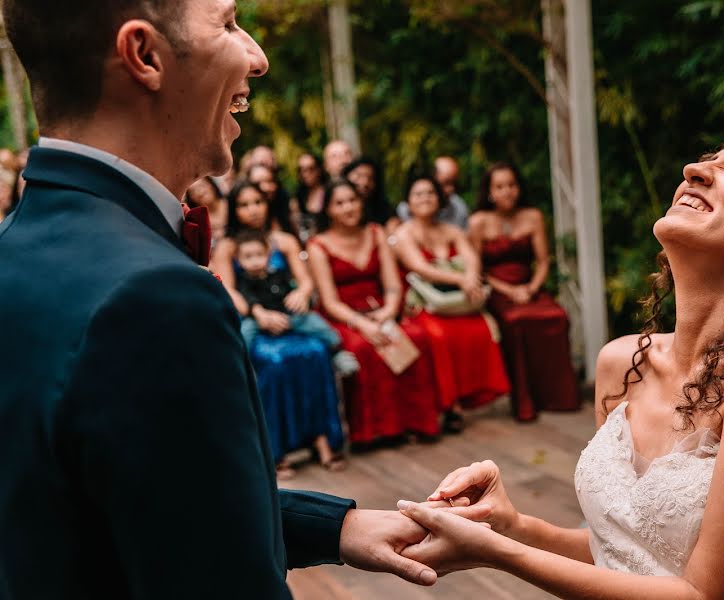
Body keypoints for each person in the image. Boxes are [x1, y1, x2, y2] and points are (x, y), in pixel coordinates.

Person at [0, 1, 440, 597]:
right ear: (146, 56)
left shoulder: (15, 249)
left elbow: (119, 502)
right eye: (229, 24)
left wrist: (335, 526)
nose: (257, 58)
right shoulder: (155, 296)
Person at [396, 126, 724, 599]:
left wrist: (499, 552)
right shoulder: (621, 363)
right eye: (706, 160)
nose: (694, 169)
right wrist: (512, 526)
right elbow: (617, 556)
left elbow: (707, 595)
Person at [307, 179, 444, 445]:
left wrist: (388, 312)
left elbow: (392, 284)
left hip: (382, 309)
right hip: (343, 316)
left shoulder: (376, 232)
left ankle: (416, 422)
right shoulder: (317, 245)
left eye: (353, 200)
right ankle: (373, 431)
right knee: (362, 348)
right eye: (340, 203)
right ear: (329, 210)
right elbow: (329, 301)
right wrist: (363, 325)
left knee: (416, 336)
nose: (348, 207)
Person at [392, 174, 510, 432]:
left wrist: (471, 280)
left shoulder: (453, 230)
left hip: (459, 300)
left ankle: (468, 396)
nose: (425, 198)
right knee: (437, 336)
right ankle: (450, 404)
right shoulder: (402, 234)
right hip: (425, 303)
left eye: (430, 193)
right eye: (418, 194)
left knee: (481, 328)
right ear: (408, 202)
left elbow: (472, 259)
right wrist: (462, 280)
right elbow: (419, 267)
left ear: (441, 199)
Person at [468, 161, 580, 421]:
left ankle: (557, 396)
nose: (507, 191)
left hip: (529, 286)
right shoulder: (478, 222)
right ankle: (524, 401)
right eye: (499, 186)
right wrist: (509, 290)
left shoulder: (533, 216)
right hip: (497, 289)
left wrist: (531, 288)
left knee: (556, 316)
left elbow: (542, 261)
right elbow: (477, 270)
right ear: (489, 192)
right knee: (515, 320)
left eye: (511, 185)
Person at [234, 227, 359, 378]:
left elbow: (293, 287)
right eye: (248, 257)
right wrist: (261, 314)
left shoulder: (279, 274)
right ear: (238, 260)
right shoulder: (244, 281)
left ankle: (337, 352)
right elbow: (249, 300)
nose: (254, 261)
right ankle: (243, 368)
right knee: (243, 333)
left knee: (316, 322)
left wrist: (297, 297)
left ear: (268, 253)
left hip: (288, 316)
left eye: (259, 255)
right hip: (259, 320)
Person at [397, 156, 470, 229]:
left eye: (454, 183)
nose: (451, 189)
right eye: (445, 183)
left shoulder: (459, 208)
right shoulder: (405, 210)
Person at [341, 156, 399, 232]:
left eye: (370, 178)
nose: (365, 183)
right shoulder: (334, 206)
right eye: (359, 176)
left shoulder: (384, 210)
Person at [247, 162, 296, 236]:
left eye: (270, 181)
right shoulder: (246, 216)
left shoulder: (284, 208)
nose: (266, 187)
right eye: (258, 183)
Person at [185, 175, 228, 246]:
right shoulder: (196, 220)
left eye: (202, 186)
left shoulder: (231, 203)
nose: (200, 192)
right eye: (193, 191)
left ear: (211, 185)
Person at [294, 151, 327, 241]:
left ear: (319, 169)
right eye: (301, 170)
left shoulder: (330, 192)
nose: (306, 174)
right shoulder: (298, 197)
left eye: (311, 169)